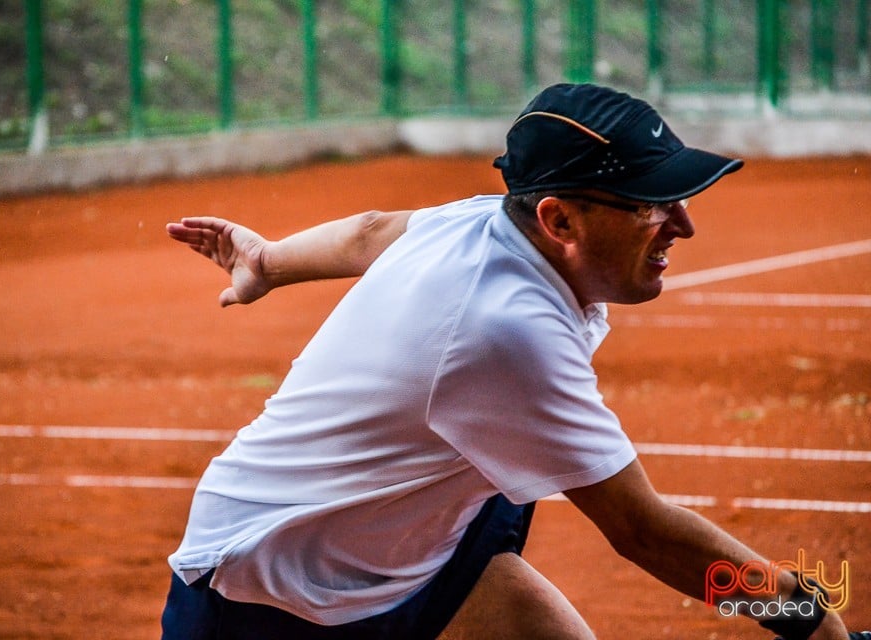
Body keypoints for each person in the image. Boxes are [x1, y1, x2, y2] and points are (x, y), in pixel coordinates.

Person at [161, 83, 859, 640]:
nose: (682, 223)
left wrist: (267, 261)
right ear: (558, 222)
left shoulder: (488, 221)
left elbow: (373, 231)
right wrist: (805, 620)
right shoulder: (506, 334)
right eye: (650, 203)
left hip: (404, 550)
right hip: (273, 592)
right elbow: (643, 532)